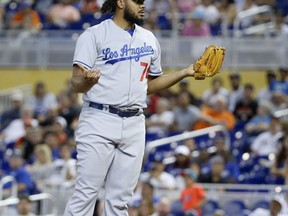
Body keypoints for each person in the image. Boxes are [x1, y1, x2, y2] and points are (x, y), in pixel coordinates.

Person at [63, 0, 220, 215]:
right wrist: (87, 81)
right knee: (86, 194)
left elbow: (149, 85)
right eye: (136, 1)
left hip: (135, 121)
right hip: (99, 117)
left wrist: (186, 71)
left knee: (119, 201)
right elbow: (76, 82)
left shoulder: (149, 38)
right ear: (120, 2)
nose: (142, 5)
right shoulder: (94, 35)